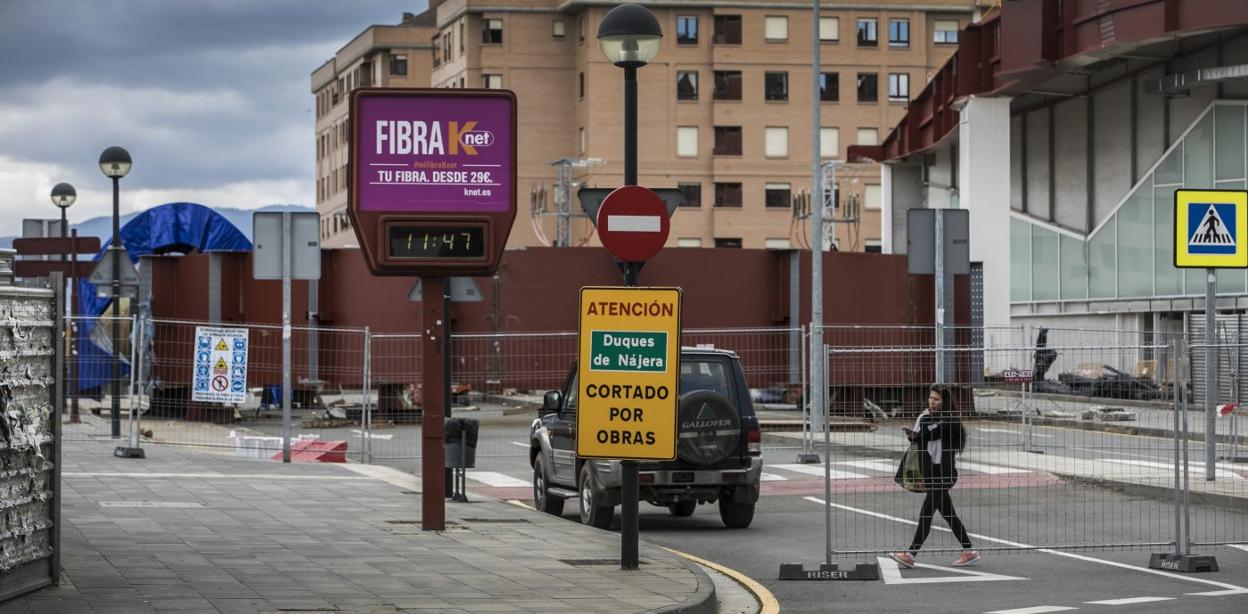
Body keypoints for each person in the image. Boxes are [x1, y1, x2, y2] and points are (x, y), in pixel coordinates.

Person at [889, 384, 980, 568]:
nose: (932, 401)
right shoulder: (926, 417)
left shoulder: (951, 421)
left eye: (936, 399)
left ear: (945, 402)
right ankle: (969, 551)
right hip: (931, 474)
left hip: (944, 475)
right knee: (949, 515)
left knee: (926, 514)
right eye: (930, 398)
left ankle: (910, 554)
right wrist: (914, 432)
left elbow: (930, 435)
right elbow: (917, 440)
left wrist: (923, 425)